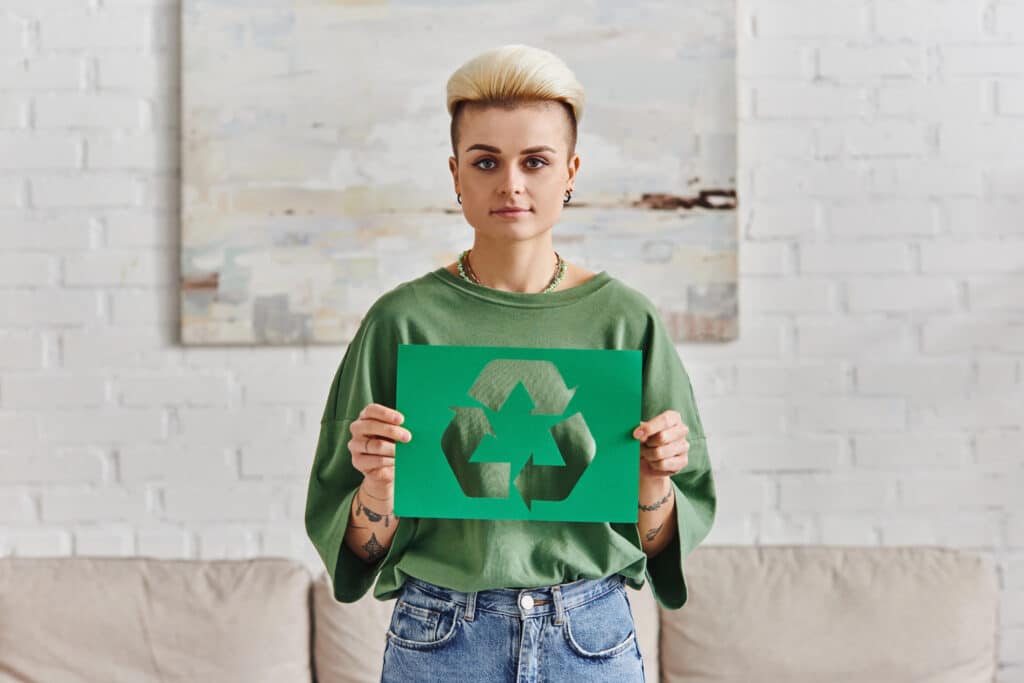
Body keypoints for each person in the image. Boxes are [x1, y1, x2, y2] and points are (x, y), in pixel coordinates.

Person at [304, 44, 716, 682]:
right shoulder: (400, 323)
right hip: (439, 639)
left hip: (590, 638)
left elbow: (664, 546)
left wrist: (655, 485)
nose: (512, 184)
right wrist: (376, 492)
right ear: (456, 174)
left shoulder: (626, 322)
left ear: (571, 172)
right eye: (487, 161)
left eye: (536, 161)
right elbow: (356, 549)